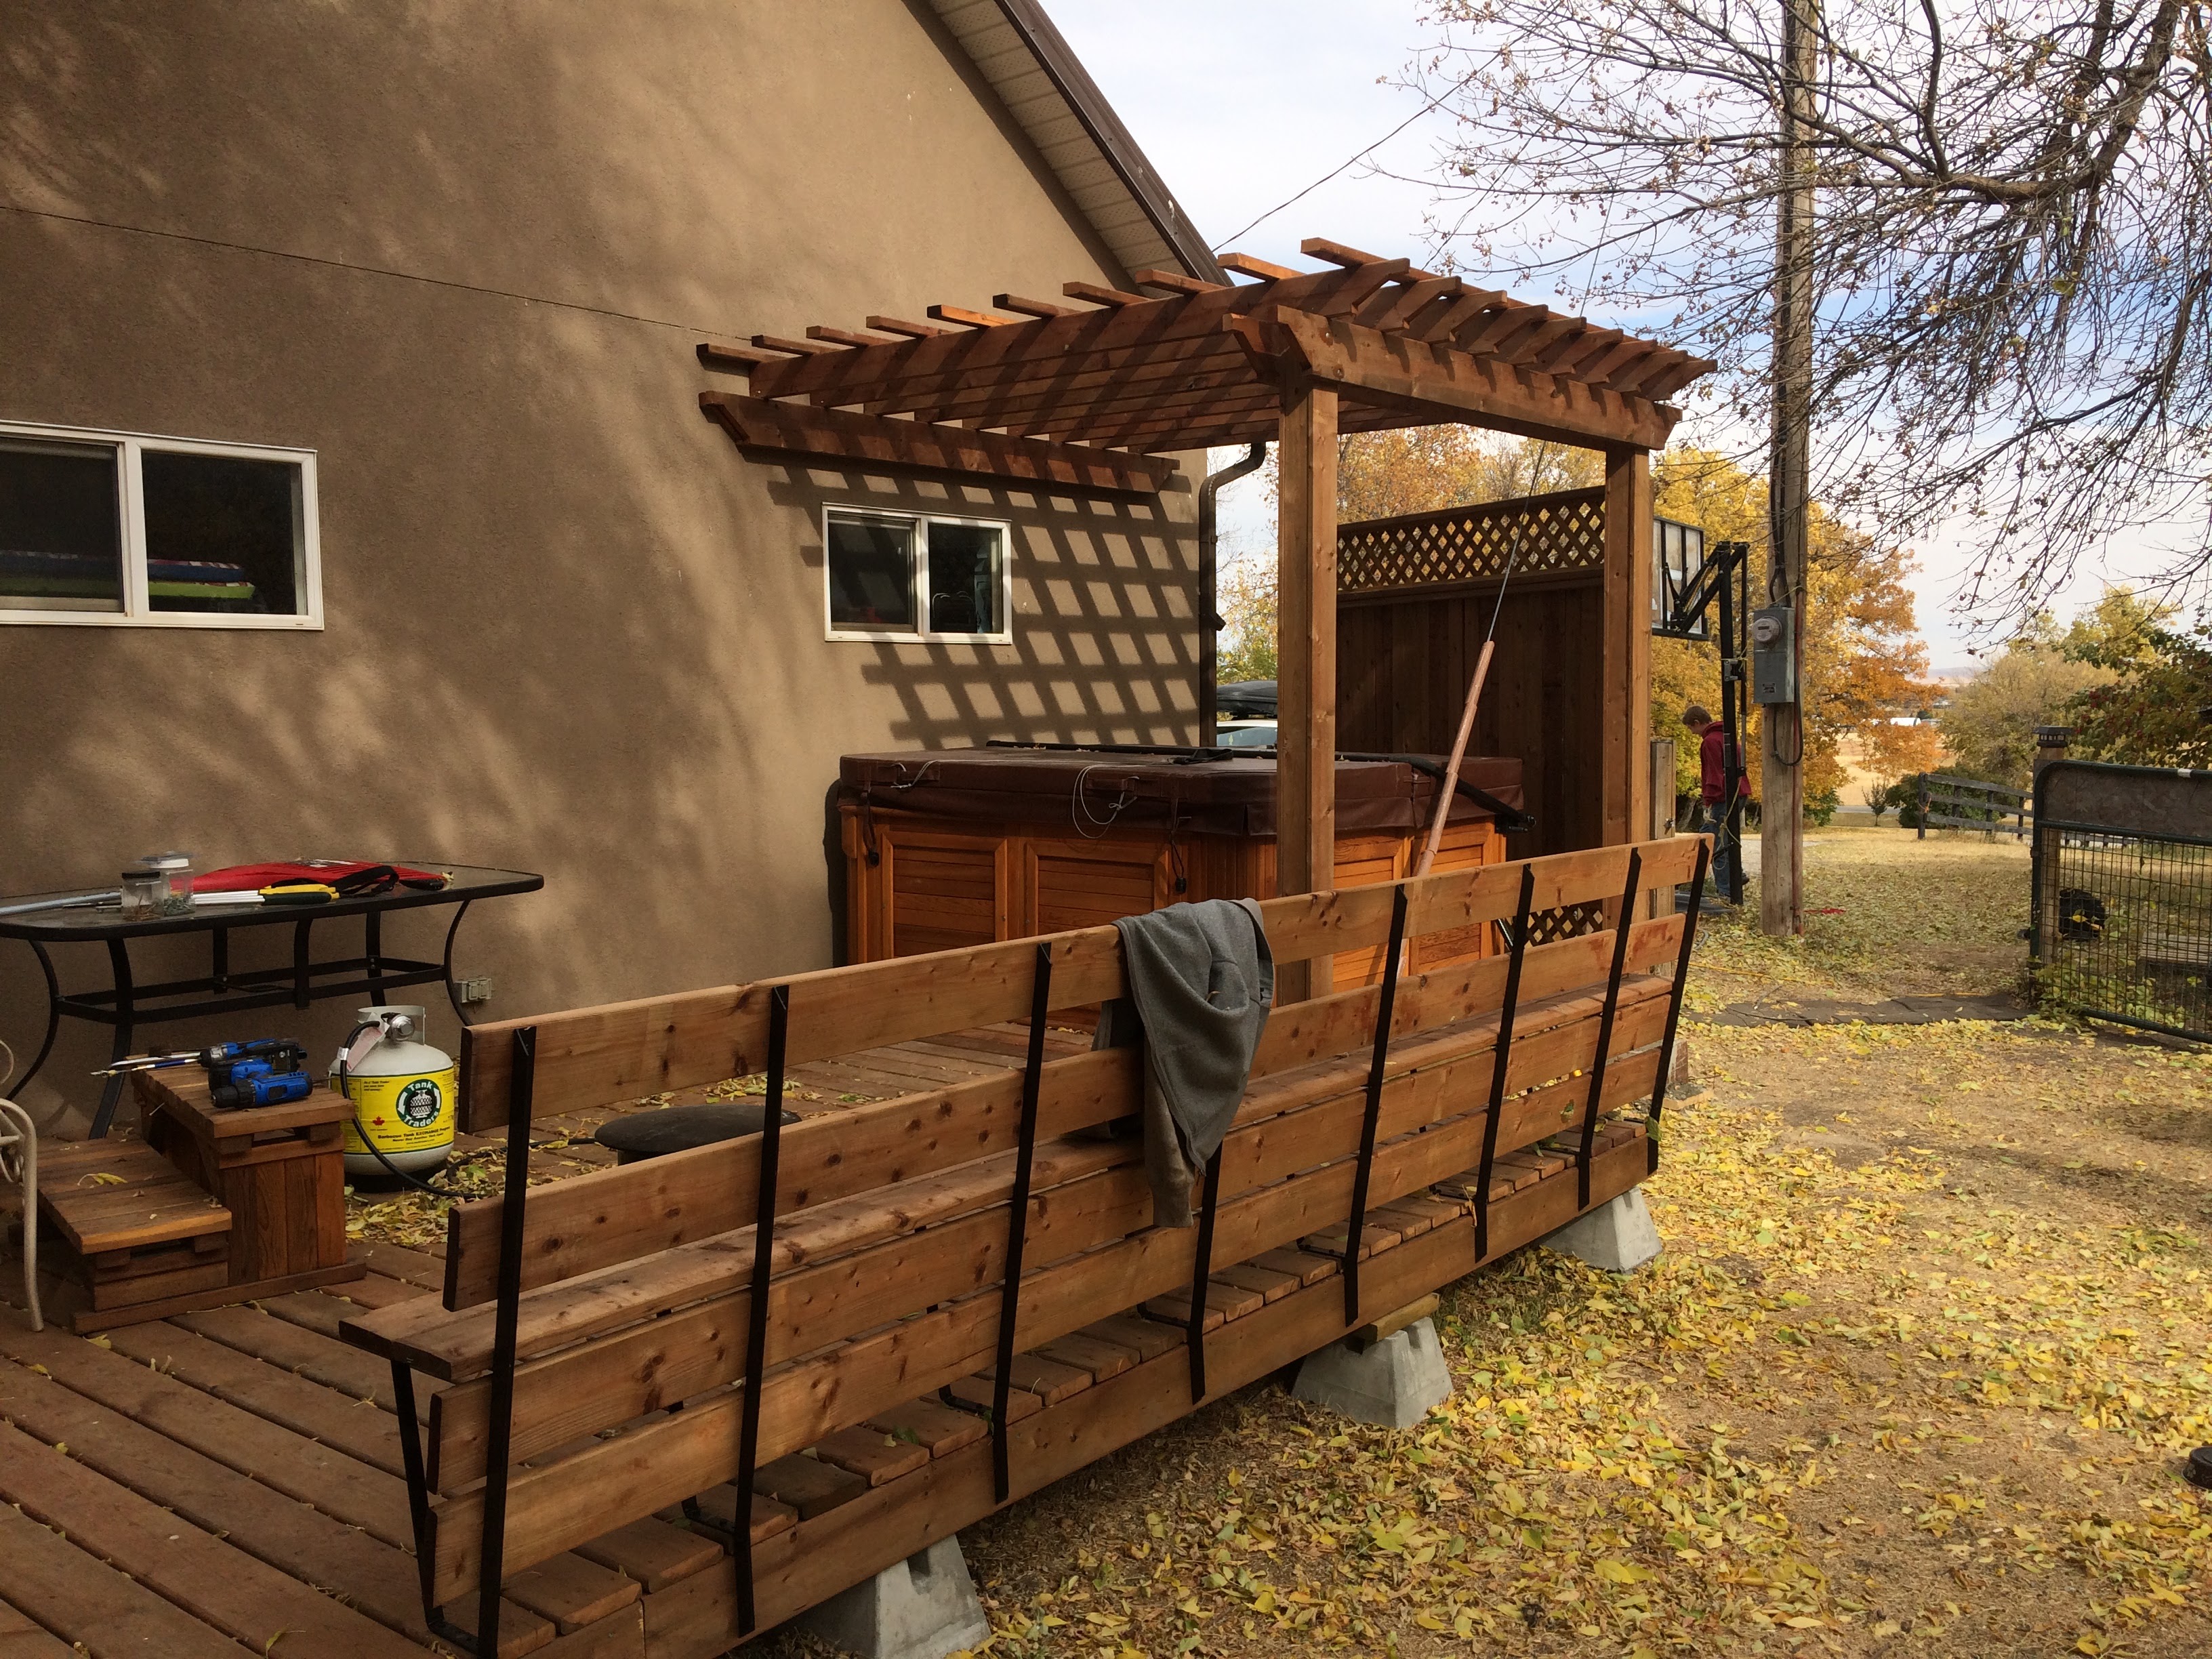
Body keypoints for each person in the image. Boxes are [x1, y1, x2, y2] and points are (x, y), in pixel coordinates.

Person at [1683, 705, 1744, 903]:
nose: (1692, 733)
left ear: (1697, 723)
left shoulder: (1709, 741)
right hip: (1739, 793)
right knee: (1727, 838)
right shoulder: (1726, 736)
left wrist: (1708, 801)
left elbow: (1714, 774)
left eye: (1691, 728)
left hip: (1722, 797)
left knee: (1711, 841)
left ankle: (1725, 890)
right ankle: (1736, 875)